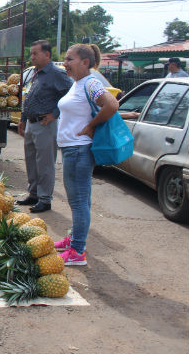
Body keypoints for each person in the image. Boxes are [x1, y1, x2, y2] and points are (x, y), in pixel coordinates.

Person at [54, 43, 120, 266]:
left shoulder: (90, 83)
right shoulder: (78, 83)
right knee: (78, 201)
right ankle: (74, 239)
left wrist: (91, 125)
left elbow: (111, 104)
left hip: (79, 149)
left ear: (85, 62)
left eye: (70, 59)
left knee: (79, 201)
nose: (65, 63)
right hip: (72, 148)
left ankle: (77, 251)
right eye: (65, 59)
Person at [17, 40, 72, 213]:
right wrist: (23, 119)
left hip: (45, 124)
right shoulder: (35, 73)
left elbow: (70, 95)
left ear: (47, 55)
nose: (32, 57)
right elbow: (29, 96)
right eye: (31, 53)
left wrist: (55, 114)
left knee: (45, 163)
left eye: (35, 53)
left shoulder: (57, 74)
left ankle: (45, 199)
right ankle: (33, 194)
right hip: (31, 123)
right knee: (31, 161)